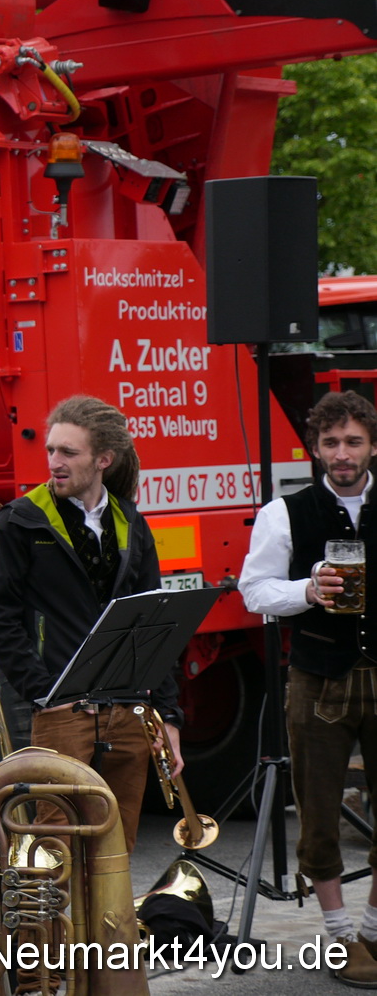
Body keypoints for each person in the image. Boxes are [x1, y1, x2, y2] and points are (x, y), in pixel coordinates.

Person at [0, 394, 183, 857]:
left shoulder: (131, 522)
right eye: (51, 450)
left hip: (128, 711)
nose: (54, 462)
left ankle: (106, 935)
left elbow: (156, 624)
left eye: (68, 453)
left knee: (115, 851)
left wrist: (168, 717)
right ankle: (54, 934)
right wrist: (46, 694)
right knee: (56, 853)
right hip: (60, 713)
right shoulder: (20, 520)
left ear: (103, 460)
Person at [238, 390, 377, 986]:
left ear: (372, 444)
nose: (341, 454)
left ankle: (372, 928)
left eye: (353, 442)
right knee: (318, 810)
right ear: (315, 449)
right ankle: (340, 933)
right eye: (330, 444)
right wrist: (305, 591)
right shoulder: (283, 513)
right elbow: (254, 590)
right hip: (318, 675)